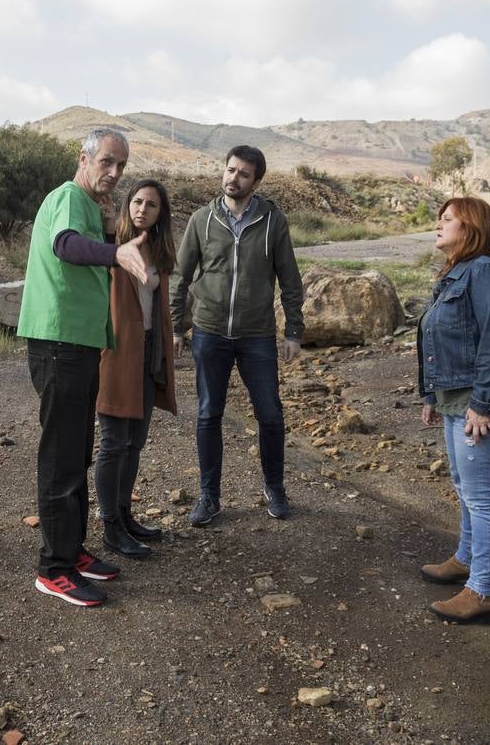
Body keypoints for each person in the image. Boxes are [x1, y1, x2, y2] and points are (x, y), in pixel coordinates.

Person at [16, 128, 149, 608]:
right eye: (106, 162)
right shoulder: (70, 197)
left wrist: (110, 231)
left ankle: (71, 551)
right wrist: (116, 251)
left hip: (78, 343)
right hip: (59, 342)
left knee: (77, 453)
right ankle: (54, 569)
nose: (114, 172)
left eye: (121, 165)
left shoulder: (90, 205)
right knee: (61, 456)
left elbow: (84, 254)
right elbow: (66, 245)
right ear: (84, 158)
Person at [169, 145, 305, 527]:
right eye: (231, 170)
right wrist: (176, 326)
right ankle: (209, 496)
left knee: (270, 414)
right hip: (209, 332)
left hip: (256, 335)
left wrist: (293, 330)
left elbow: (290, 279)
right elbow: (180, 277)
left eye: (244, 174)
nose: (234, 178)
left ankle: (274, 488)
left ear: (256, 182)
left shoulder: (273, 221)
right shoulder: (202, 219)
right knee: (208, 413)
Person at [416, 196, 490, 624]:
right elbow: (442, 341)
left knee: (482, 498)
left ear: (470, 228)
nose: (438, 225)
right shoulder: (457, 273)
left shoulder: (485, 272)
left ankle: (483, 592)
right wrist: (434, 397)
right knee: (465, 486)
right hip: (460, 399)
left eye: (447, 219)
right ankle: (465, 559)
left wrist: (482, 404)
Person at [95, 179, 178, 559]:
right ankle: (110, 526)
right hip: (115, 352)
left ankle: (125, 515)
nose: (143, 209)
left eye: (152, 205)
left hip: (148, 352)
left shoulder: (158, 251)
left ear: (161, 214)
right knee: (113, 442)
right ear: (128, 205)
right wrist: (108, 229)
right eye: (138, 202)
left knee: (135, 442)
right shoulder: (112, 245)